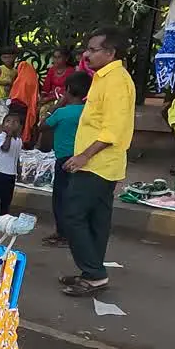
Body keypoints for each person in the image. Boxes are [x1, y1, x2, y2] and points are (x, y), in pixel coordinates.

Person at [60, 27, 135, 297]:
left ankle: (93, 272)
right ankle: (92, 273)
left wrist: (83, 156)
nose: (86, 54)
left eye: (93, 50)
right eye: (87, 49)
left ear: (110, 52)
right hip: (99, 163)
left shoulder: (116, 81)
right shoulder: (104, 78)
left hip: (97, 164)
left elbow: (111, 130)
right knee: (95, 219)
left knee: (73, 215)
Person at [39, 70, 91, 247]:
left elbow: (42, 126)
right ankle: (75, 232)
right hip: (83, 158)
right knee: (76, 197)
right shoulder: (88, 112)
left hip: (63, 160)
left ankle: (63, 233)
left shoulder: (63, 113)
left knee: (60, 198)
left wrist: (57, 105)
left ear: (67, 90)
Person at [0, 104, 24, 215]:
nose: (11, 124)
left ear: (20, 126)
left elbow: (16, 156)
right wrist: (8, 135)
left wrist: (19, 170)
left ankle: (3, 216)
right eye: (8, 121)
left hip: (11, 174)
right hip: (0, 173)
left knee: (6, 199)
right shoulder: (2, 137)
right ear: (3, 125)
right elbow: (5, 148)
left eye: (15, 122)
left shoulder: (19, 140)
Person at [0, 48, 17, 121]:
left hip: (8, 97)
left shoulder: (15, 71)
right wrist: (3, 82)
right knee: (4, 116)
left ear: (14, 57)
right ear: (1, 58)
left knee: (9, 114)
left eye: (10, 57)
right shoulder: (0, 69)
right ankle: (5, 131)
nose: (7, 60)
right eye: (5, 57)